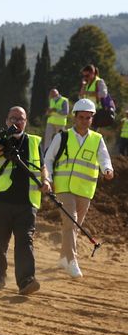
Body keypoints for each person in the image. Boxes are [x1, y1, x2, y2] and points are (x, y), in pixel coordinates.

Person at [44, 98, 115, 278]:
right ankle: (72, 260)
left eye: (88, 117)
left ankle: (63, 258)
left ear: (92, 119)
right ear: (75, 117)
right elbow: (48, 159)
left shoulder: (97, 139)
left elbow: (104, 158)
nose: (84, 120)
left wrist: (107, 169)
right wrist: (48, 179)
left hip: (85, 190)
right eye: (81, 117)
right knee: (71, 221)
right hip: (63, 188)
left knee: (74, 226)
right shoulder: (62, 136)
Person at [0, 106, 47, 295]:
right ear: (6, 120)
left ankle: (26, 280)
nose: (16, 122)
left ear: (26, 122)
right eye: (13, 118)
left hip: (27, 202)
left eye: (20, 119)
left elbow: (42, 167)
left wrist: (46, 181)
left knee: (25, 241)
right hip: (0, 201)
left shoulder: (34, 142)